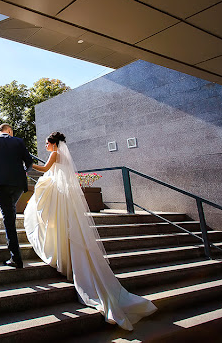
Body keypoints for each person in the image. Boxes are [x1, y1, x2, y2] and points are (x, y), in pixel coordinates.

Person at [24, 131, 157, 331]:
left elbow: (44, 168)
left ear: (53, 143)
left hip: (58, 194)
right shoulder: (64, 156)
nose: (45, 146)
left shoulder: (55, 154)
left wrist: (27, 165)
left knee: (47, 217)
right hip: (63, 195)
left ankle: (62, 255)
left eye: (46, 143)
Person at [0, 123, 34, 268]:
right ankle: (15, 256)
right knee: (10, 211)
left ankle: (16, 258)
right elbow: (29, 162)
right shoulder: (18, 141)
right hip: (18, 185)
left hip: (1, 184)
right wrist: (23, 171)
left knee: (8, 218)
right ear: (9, 131)